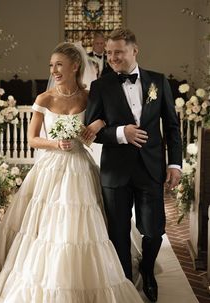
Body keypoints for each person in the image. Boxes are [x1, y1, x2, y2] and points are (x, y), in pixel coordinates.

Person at [0, 42, 144, 303]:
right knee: (45, 227)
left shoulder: (89, 96)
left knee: (85, 224)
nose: (54, 70)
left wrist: (96, 124)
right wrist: (56, 143)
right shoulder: (44, 99)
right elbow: (32, 139)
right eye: (51, 65)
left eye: (59, 65)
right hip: (51, 168)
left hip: (80, 166)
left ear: (75, 66)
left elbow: (109, 119)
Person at [85, 28, 182, 302]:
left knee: (153, 230)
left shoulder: (158, 82)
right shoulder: (100, 86)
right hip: (115, 170)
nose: (113, 57)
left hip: (151, 168)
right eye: (110, 53)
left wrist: (175, 164)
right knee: (117, 231)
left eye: (119, 52)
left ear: (134, 50)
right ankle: (125, 282)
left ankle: (148, 272)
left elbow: (173, 128)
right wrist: (120, 133)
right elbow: (90, 130)